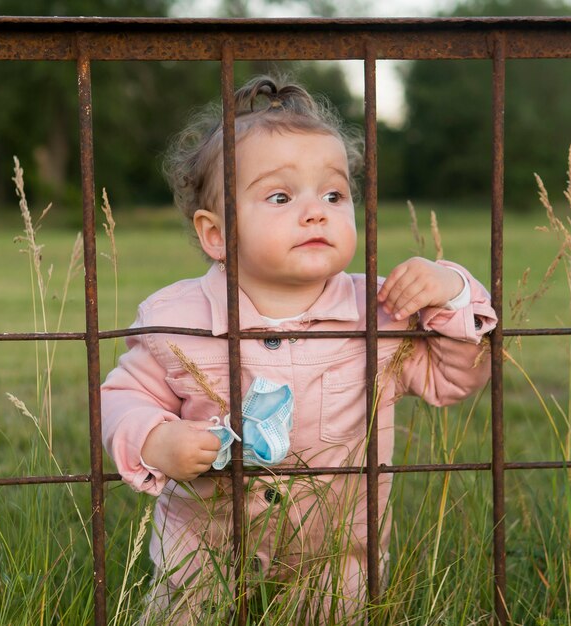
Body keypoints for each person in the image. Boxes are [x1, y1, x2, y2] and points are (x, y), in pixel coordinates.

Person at [101, 75, 497, 625]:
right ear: (215, 234)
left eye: (334, 195)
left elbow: (457, 377)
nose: (316, 212)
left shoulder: (379, 310)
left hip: (339, 548)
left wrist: (452, 292)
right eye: (281, 197)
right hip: (204, 543)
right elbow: (121, 396)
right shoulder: (174, 319)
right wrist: (153, 437)